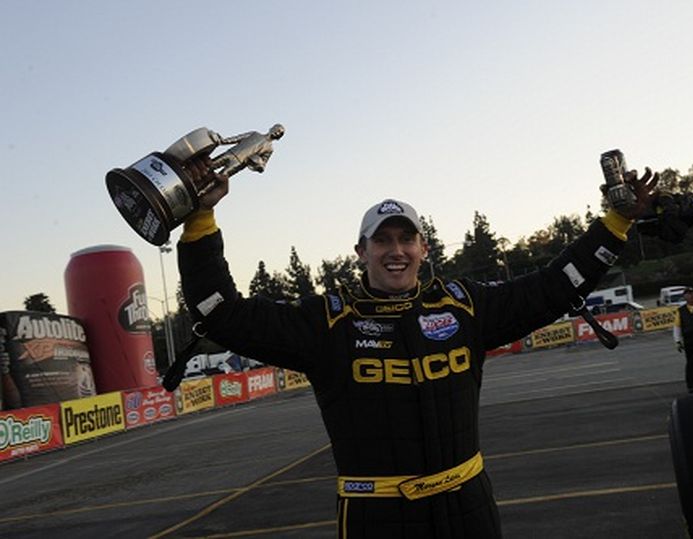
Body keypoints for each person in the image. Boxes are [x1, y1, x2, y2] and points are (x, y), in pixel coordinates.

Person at [176, 157, 657, 538]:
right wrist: (200, 220)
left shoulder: (465, 305)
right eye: (381, 240)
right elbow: (220, 312)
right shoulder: (326, 321)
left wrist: (614, 224)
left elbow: (553, 287)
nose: (396, 250)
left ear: (425, 249)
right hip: (376, 517)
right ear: (360, 252)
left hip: (469, 508)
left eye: (407, 238)